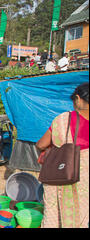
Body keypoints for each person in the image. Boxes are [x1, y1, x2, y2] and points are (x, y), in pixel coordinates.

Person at [36, 83, 89, 228]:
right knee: (80, 217)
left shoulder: (63, 119)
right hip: (84, 181)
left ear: (77, 99)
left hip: (58, 176)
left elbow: (41, 144)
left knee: (53, 214)